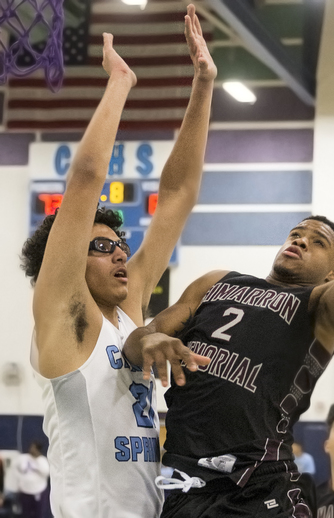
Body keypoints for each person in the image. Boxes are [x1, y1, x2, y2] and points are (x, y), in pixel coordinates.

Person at [123, 100, 334, 516]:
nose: (302, 239)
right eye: (297, 232)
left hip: (258, 489)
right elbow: (136, 342)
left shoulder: (320, 309)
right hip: (182, 486)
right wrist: (152, 338)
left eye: (318, 241)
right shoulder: (215, 282)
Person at [20, 6, 215, 516]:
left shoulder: (126, 313)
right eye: (101, 246)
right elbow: (85, 179)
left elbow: (178, 194)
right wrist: (121, 83)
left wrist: (204, 84)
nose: (121, 254)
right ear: (64, 262)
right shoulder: (66, 319)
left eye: (120, 244)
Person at [15, 442, 50, 518]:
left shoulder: (42, 461)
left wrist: (36, 465)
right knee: (26, 514)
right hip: (25, 491)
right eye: (31, 447)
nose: (32, 449)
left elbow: (46, 472)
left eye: (34, 448)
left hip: (38, 491)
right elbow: (15, 469)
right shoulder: (23, 458)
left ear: (38, 450)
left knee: (39, 514)